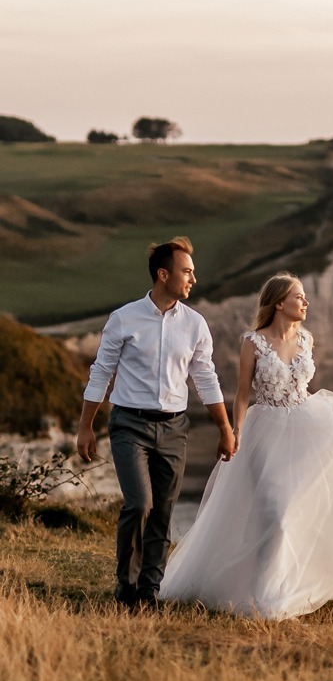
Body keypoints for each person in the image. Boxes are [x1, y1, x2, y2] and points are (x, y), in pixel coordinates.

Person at [159, 272, 333, 619]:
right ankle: (263, 596)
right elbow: (242, 394)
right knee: (276, 513)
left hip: (306, 429)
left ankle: (280, 588)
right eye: (299, 297)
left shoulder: (306, 340)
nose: (305, 302)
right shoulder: (252, 342)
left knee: (297, 512)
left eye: (304, 297)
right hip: (266, 431)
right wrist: (236, 432)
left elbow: (302, 387)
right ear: (279, 303)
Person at [77, 237, 237, 610]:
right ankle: (126, 588)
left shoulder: (196, 324)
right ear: (163, 275)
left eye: (193, 273)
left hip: (174, 428)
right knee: (139, 504)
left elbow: (206, 378)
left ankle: (149, 593)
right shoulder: (124, 319)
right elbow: (101, 373)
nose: (193, 279)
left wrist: (225, 429)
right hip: (129, 425)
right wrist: (86, 426)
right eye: (186, 272)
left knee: (163, 511)